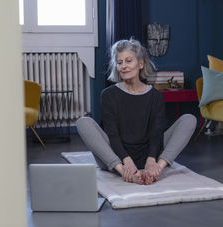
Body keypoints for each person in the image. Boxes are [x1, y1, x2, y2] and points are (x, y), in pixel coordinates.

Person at [76, 39, 196, 185]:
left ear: (140, 64)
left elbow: (157, 132)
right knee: (83, 122)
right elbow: (112, 133)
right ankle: (125, 173)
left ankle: (157, 169)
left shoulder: (156, 96)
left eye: (128, 61)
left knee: (189, 119)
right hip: (116, 157)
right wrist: (126, 162)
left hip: (148, 155)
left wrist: (152, 160)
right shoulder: (108, 95)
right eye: (119, 62)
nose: (123, 66)